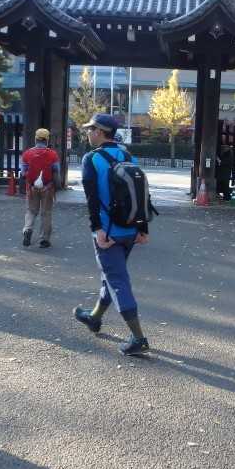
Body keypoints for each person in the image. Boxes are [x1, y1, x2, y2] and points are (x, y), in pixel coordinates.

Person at [73, 113, 150, 355]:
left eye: (90, 129)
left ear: (99, 131)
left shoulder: (91, 158)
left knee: (117, 280)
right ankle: (94, 317)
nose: (88, 132)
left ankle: (138, 338)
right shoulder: (128, 156)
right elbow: (142, 193)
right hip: (130, 229)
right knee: (112, 274)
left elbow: (92, 199)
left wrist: (97, 230)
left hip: (108, 232)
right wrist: (142, 228)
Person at [19, 127, 60, 248]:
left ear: (36, 139)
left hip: (32, 188)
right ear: (47, 140)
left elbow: (23, 173)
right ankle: (44, 239)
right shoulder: (52, 154)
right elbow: (56, 171)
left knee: (31, 211)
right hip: (47, 187)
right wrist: (56, 186)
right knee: (46, 213)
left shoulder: (27, 154)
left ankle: (27, 229)